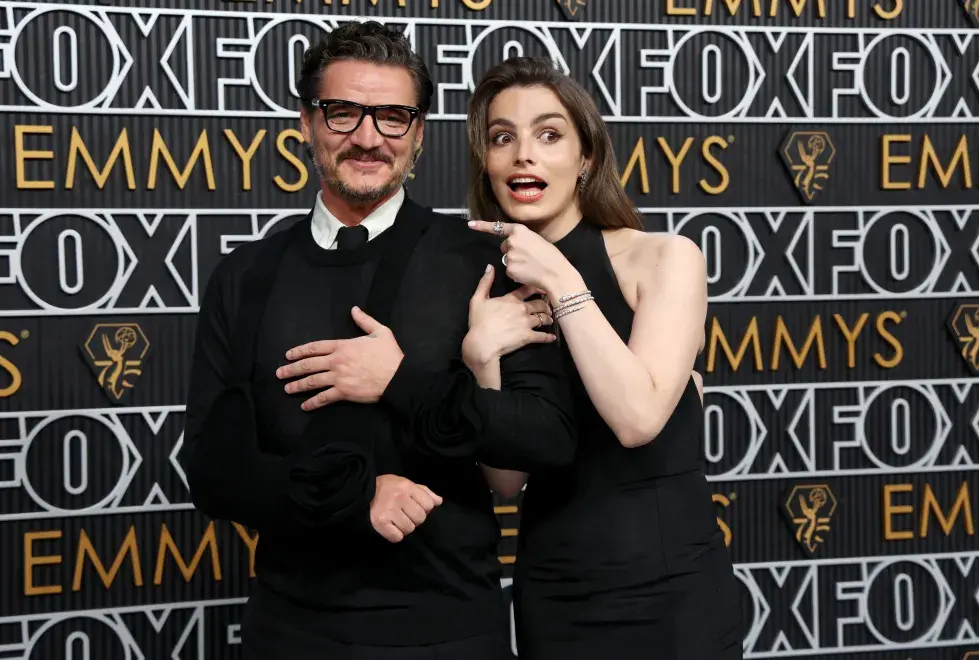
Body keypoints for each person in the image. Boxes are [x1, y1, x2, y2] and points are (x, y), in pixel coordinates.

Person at [178, 26, 578, 660]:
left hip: (447, 631)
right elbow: (210, 469)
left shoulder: (484, 260)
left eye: (393, 117)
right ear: (306, 121)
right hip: (288, 632)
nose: (368, 138)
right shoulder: (244, 274)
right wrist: (356, 497)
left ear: (419, 133)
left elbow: (547, 437)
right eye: (343, 113)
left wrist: (399, 381)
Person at [460, 57, 745, 659]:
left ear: (586, 157)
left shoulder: (665, 258)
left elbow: (636, 418)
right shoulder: (488, 287)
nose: (522, 156)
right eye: (502, 137)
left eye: (548, 134)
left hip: (671, 593)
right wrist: (481, 357)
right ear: (486, 162)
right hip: (553, 592)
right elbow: (507, 484)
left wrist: (562, 283)